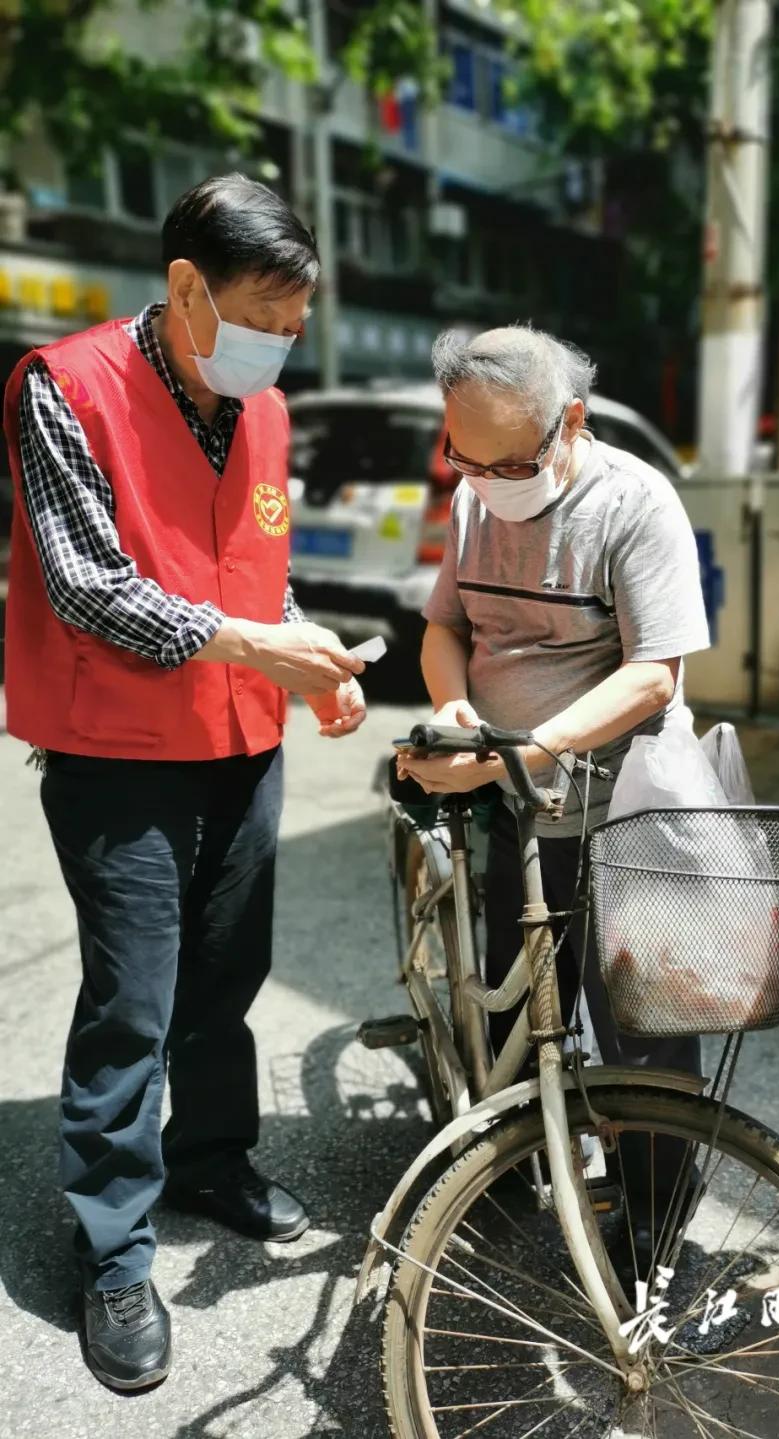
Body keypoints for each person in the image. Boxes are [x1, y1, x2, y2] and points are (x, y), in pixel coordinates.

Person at [3, 173, 367, 1391]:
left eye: (296, 322)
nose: (281, 342)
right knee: (134, 1000)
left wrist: (308, 656)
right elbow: (88, 586)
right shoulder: (66, 387)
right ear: (185, 289)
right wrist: (256, 642)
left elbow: (260, 571)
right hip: (118, 754)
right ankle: (113, 1244)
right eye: (266, 313)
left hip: (243, 739)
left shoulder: (259, 407)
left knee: (228, 975)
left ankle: (211, 1157)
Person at [397, 324, 711, 1251]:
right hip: (517, 804)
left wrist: (513, 751)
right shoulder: (472, 500)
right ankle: (508, 1163)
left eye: (506, 460)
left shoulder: (635, 503)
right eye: (463, 455)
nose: (483, 479)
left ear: (570, 423)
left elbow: (656, 672)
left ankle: (652, 1232)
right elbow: (445, 626)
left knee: (644, 1043)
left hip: (627, 817)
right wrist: (457, 712)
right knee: (521, 995)